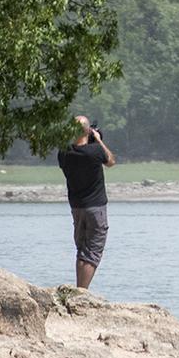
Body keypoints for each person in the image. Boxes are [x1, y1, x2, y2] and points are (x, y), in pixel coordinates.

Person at [57, 114, 117, 289]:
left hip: (77, 207)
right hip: (96, 207)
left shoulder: (64, 153)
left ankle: (79, 288)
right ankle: (82, 291)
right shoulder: (95, 151)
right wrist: (98, 140)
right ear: (88, 131)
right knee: (93, 251)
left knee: (82, 250)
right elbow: (111, 161)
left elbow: (72, 146)